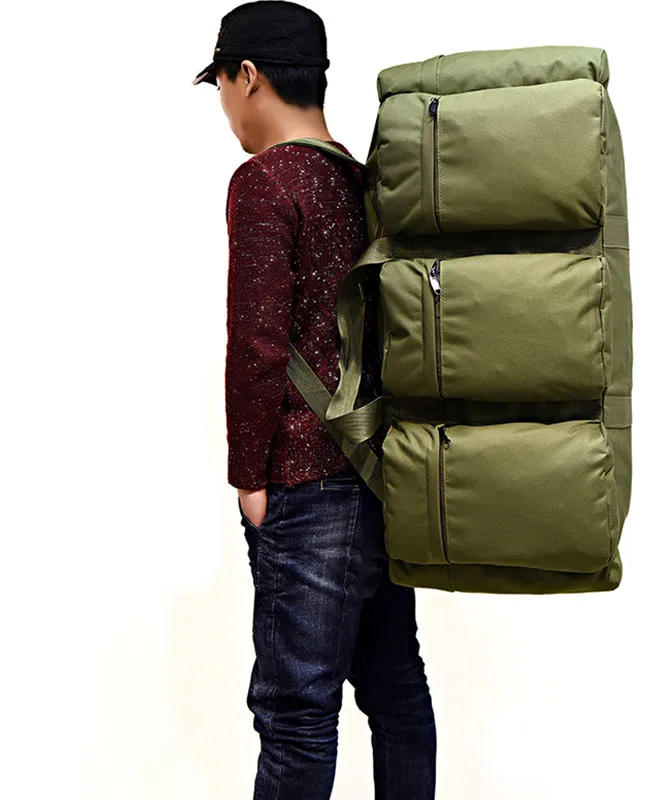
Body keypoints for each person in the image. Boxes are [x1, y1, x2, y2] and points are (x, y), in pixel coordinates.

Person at [191, 2, 437, 798]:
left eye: (221, 85)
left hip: (303, 486)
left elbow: (257, 347)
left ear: (248, 77)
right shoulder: (362, 181)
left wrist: (249, 479)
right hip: (379, 477)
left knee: (296, 714)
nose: (225, 106)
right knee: (396, 692)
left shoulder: (265, 182)